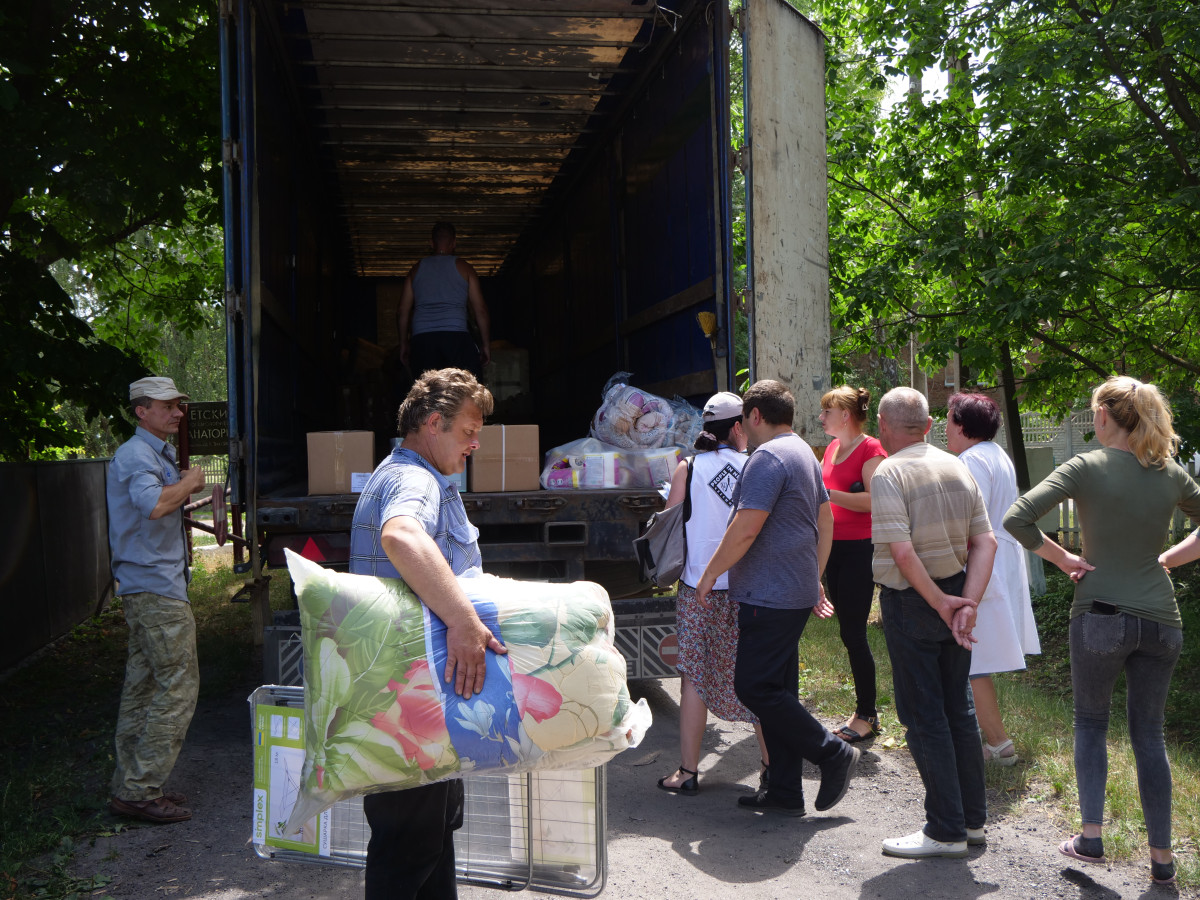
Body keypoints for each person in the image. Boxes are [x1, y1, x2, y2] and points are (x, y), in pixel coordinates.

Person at [1003, 376, 1200, 887]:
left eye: (1096, 412)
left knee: (1091, 723)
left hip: (1101, 615)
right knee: (1149, 735)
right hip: (1162, 621)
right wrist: (1170, 559)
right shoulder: (1172, 475)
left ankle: (1091, 836)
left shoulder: (1085, 465)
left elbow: (1017, 518)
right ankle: (1162, 859)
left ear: (1105, 417)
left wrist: (1065, 558)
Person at [349, 367, 507, 900]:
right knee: (409, 844)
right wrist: (464, 621)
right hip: (407, 701)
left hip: (414, 697)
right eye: (467, 431)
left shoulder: (413, 474)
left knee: (431, 838)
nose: (475, 444)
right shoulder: (414, 479)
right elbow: (401, 535)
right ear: (434, 423)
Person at [695, 380, 859, 817]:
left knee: (754, 685)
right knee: (778, 688)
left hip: (768, 594)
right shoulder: (803, 451)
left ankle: (832, 753)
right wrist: (815, 576)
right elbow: (825, 521)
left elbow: (747, 527)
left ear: (753, 416)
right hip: (791, 589)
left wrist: (710, 574)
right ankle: (786, 792)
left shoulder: (767, 457)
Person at [871, 387, 997, 859]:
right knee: (958, 712)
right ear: (927, 426)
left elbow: (902, 554)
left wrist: (943, 604)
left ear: (884, 425)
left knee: (925, 718)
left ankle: (944, 829)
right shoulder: (957, 465)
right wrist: (967, 603)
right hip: (955, 593)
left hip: (914, 602)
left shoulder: (889, 471)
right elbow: (987, 543)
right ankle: (971, 823)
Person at [657, 392, 769, 795]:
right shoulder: (755, 467)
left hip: (696, 589)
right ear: (738, 427)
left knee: (694, 677)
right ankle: (769, 771)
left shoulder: (687, 468)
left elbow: (669, 525)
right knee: (757, 677)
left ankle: (687, 773)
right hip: (745, 589)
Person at [107, 376, 206, 824]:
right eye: (168, 406)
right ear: (141, 410)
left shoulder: (152, 452)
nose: (178, 413)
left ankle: (132, 784)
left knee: (143, 688)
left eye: (178, 406)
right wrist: (190, 482)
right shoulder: (135, 454)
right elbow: (152, 506)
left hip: (151, 586)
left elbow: (157, 507)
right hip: (155, 591)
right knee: (178, 687)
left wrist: (184, 490)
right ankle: (141, 790)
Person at [945, 392, 1041, 766]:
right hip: (1003, 558)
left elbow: (970, 525)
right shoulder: (996, 454)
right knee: (974, 658)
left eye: (950, 420)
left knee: (973, 659)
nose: (945, 429)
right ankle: (982, 738)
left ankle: (999, 746)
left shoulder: (969, 461)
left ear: (963, 424)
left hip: (985, 564)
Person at [818, 386, 887, 743]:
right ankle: (864, 710)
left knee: (854, 634)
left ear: (845, 415)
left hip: (861, 548)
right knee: (848, 631)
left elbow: (875, 501)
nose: (821, 417)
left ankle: (868, 715)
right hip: (834, 548)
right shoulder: (831, 448)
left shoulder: (871, 448)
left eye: (826, 411)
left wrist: (828, 494)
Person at [398, 222, 491, 377]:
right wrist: (485, 345)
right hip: (456, 337)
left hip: (422, 339)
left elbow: (402, 311)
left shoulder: (416, 269)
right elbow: (480, 310)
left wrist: (403, 344)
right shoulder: (465, 268)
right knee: (464, 390)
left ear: (431, 243)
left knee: (426, 392)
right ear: (454, 243)